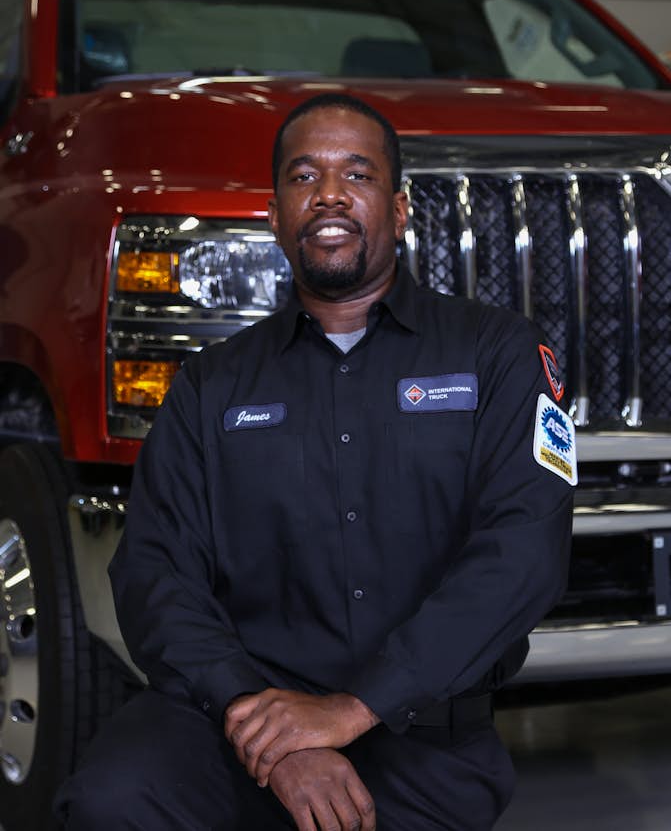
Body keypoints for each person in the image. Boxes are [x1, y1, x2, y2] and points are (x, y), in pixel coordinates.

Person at [55, 93, 575, 830]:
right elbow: (154, 571)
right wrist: (268, 729)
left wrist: (352, 710)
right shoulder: (210, 386)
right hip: (237, 722)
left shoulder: (496, 354)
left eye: (356, 175)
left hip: (421, 731)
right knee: (113, 798)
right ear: (274, 215)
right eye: (304, 177)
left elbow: (522, 555)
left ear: (397, 210)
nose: (329, 194)